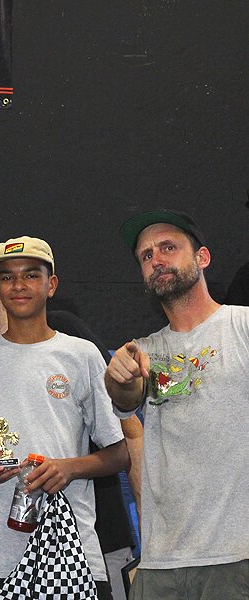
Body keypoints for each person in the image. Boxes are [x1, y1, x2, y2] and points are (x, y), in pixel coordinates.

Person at [0, 246, 143, 599]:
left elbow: (120, 453)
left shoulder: (80, 354)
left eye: (31, 275)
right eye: (7, 276)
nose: (18, 285)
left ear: (51, 285)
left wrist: (69, 468)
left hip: (72, 553)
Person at [105, 209, 249, 600]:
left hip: (236, 557)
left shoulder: (242, 326)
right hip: (159, 563)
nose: (156, 259)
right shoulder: (142, 350)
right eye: (146, 255)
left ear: (202, 257)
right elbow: (125, 398)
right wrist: (119, 377)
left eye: (168, 247)